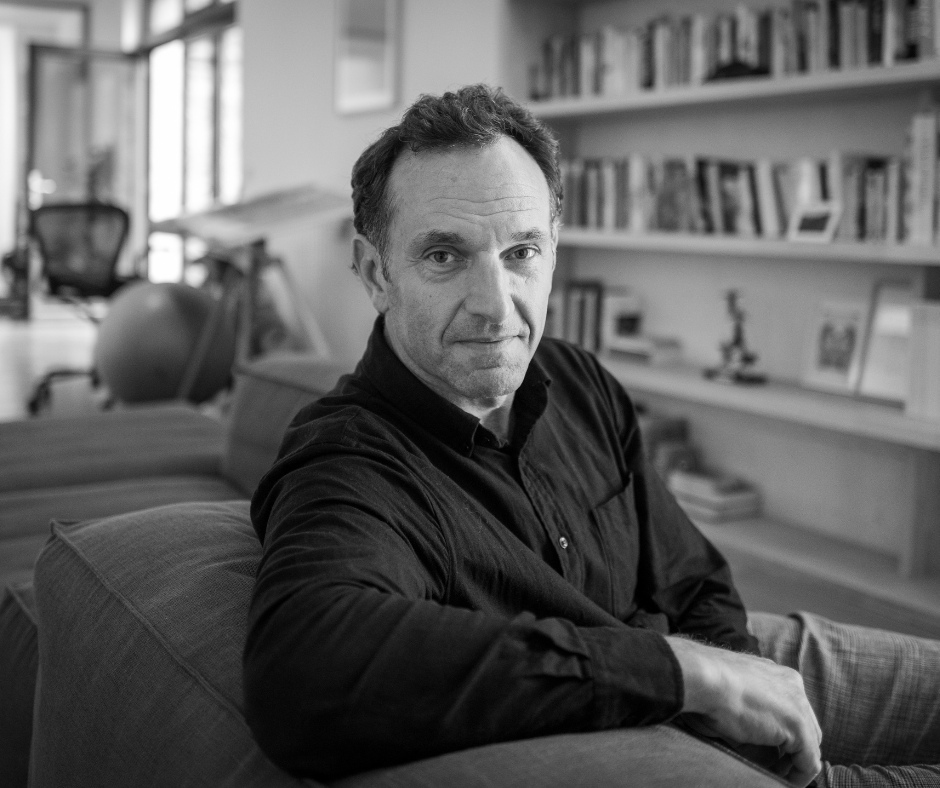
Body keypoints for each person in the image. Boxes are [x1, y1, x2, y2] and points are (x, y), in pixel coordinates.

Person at [243, 85, 940, 788]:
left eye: (522, 251)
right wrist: (678, 677)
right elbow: (305, 675)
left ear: (553, 253)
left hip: (732, 670)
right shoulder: (350, 460)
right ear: (375, 273)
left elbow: (692, 577)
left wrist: (738, 687)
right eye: (445, 257)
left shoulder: (576, 380)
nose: (496, 307)